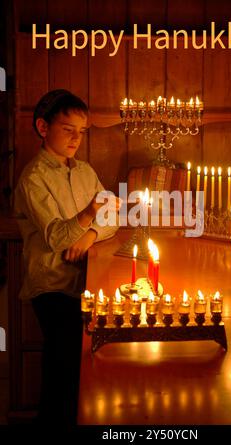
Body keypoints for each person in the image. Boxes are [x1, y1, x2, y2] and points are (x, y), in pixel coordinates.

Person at [14, 89, 121, 426]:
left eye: (82, 131)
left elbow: (113, 220)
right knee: (62, 369)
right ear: (43, 127)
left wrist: (90, 235)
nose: (77, 138)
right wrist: (91, 213)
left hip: (85, 281)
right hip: (52, 285)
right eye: (67, 129)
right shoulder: (33, 179)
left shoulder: (86, 171)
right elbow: (59, 239)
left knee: (83, 366)